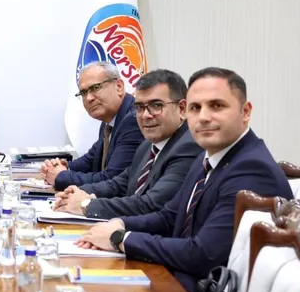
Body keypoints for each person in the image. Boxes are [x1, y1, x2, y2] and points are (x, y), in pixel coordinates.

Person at [76, 67, 293, 292]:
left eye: (217, 106)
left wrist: (122, 239)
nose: (204, 117)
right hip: (181, 282)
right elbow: (169, 216)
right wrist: (120, 224)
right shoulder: (207, 157)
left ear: (245, 112)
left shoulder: (251, 168)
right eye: (195, 108)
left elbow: (202, 254)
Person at [53, 69, 202, 219]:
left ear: (182, 109)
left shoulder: (189, 146)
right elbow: (119, 184)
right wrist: (75, 193)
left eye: (156, 105)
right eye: (139, 107)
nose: (145, 115)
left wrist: (86, 204)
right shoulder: (147, 146)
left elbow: (150, 204)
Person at [42, 62, 144, 190]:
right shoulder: (109, 120)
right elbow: (91, 159)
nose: (89, 98)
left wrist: (61, 176)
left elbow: (111, 179)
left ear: (118, 86)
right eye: (83, 92)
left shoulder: (134, 119)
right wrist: (62, 167)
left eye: (95, 88)